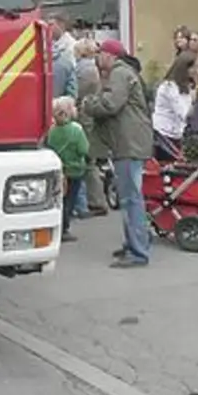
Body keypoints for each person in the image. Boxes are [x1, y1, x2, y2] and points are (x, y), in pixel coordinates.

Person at [80, 39, 155, 268]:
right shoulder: (123, 72)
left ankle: (138, 251)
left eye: (99, 53)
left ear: (110, 55)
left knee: (131, 198)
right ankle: (135, 242)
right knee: (132, 197)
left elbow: (111, 104)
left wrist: (88, 104)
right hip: (130, 141)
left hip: (128, 143)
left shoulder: (119, 74)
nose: (97, 58)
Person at [73, 39, 110, 218]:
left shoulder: (84, 70)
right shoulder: (91, 68)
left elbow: (77, 93)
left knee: (88, 161)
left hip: (85, 118)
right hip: (89, 118)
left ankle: (95, 201)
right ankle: (93, 201)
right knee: (89, 161)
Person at [45, 97, 89, 243]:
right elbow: (84, 149)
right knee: (69, 200)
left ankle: (56, 226)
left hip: (59, 169)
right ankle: (64, 228)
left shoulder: (51, 130)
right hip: (74, 170)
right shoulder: (76, 130)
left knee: (59, 199)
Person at [152, 52, 197, 162]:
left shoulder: (185, 86)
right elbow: (183, 114)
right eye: (193, 67)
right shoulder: (169, 87)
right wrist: (194, 101)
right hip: (163, 133)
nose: (196, 70)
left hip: (176, 133)